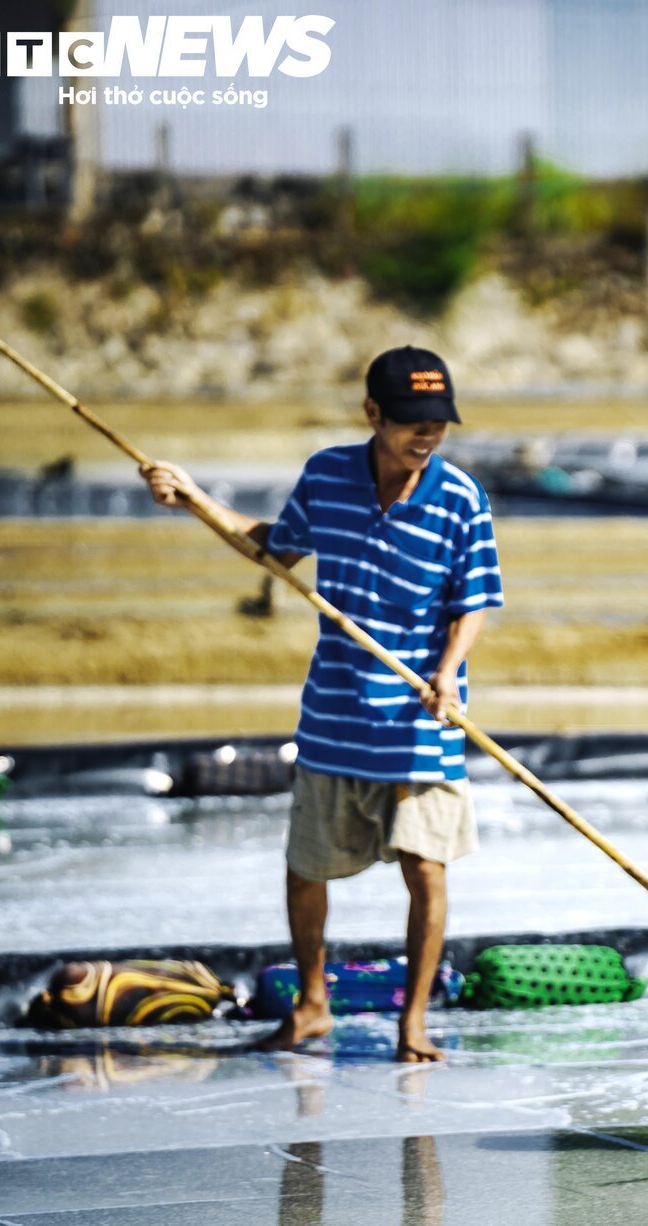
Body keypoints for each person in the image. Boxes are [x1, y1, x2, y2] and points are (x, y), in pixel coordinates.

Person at [140, 346, 503, 1062]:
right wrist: (194, 499)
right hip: (336, 714)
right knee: (305, 871)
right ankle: (311, 1005)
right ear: (373, 413)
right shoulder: (328, 475)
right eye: (410, 422)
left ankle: (414, 1022)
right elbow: (275, 550)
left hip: (421, 718)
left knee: (426, 870)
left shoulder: (461, 498)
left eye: (438, 422)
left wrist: (447, 671)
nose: (426, 436)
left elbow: (474, 600)